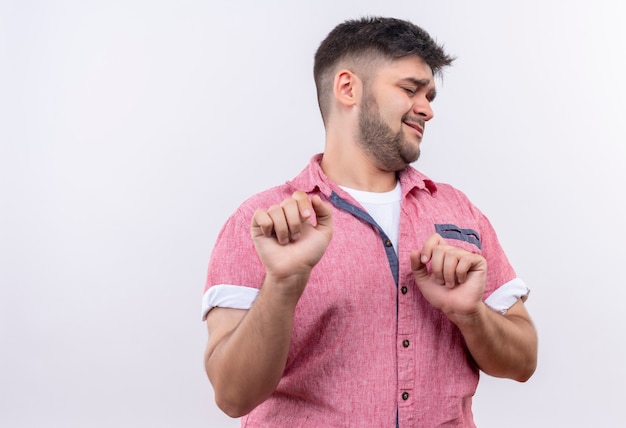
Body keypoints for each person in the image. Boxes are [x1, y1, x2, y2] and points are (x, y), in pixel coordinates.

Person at [202, 16, 538, 427]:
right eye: (410, 89)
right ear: (348, 88)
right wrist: (284, 285)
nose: (427, 110)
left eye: (430, 95)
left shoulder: (458, 211)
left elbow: (523, 362)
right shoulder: (262, 224)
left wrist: (471, 315)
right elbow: (233, 396)